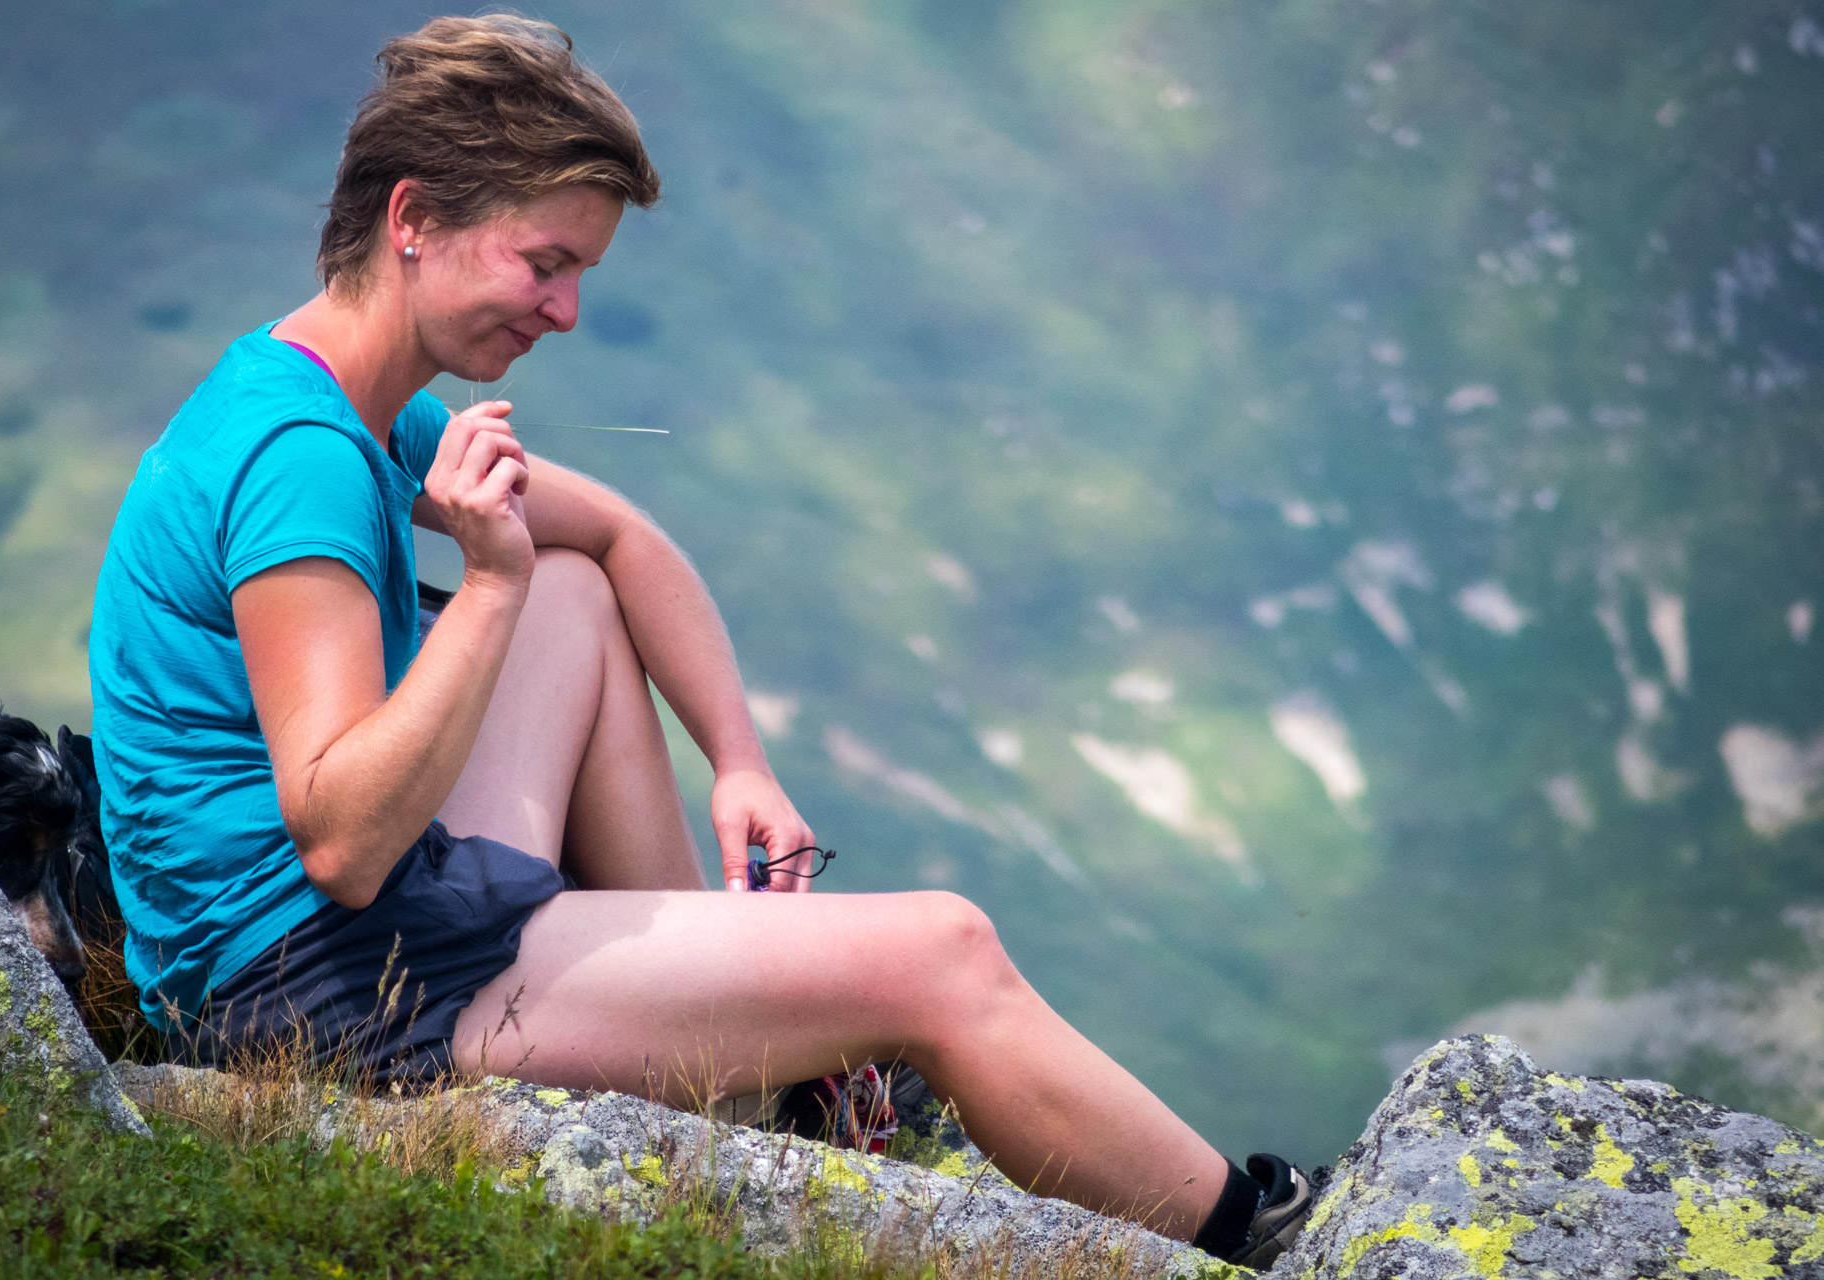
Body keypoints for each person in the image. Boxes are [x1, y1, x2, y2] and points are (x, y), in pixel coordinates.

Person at [87, 14, 1312, 1265]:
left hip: (358, 928)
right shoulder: (300, 463)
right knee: (944, 952)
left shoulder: (340, 404)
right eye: (542, 261)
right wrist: (491, 583)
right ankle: (1261, 1231)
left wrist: (739, 761)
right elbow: (341, 840)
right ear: (414, 217)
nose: (563, 311)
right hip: (317, 989)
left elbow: (620, 537)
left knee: (573, 583)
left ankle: (722, 1048)